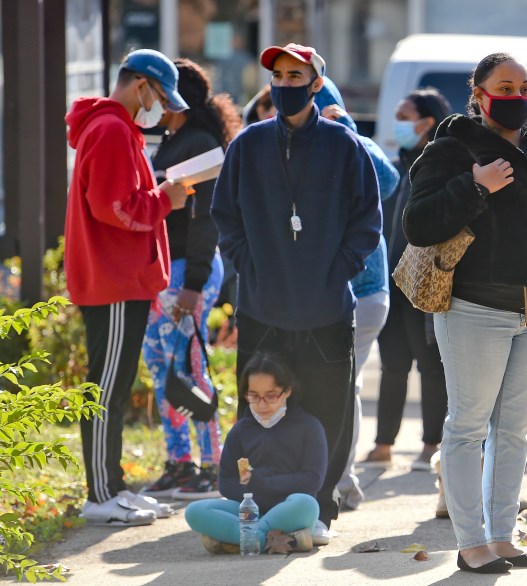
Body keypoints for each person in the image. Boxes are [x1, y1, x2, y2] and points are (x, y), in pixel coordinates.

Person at [403, 53, 527, 573]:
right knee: (468, 427)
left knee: (515, 428)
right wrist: (474, 186)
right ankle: (471, 545)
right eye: (503, 86)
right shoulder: (451, 148)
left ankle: (503, 537)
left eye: (524, 87)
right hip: (474, 308)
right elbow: (418, 223)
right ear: (478, 93)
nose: (515, 96)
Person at [211, 43, 382, 546]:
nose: (284, 84)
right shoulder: (248, 143)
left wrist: (337, 274)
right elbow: (226, 218)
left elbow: (367, 222)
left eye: (295, 75)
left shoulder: (344, 144)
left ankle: (318, 509)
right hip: (263, 305)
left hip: (327, 306)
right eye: (278, 76)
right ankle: (255, 506)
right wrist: (250, 269)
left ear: (315, 82)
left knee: (329, 410)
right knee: (258, 410)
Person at [64, 49, 190, 525]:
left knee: (112, 387)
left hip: (119, 279)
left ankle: (112, 487)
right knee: (106, 389)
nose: (160, 105)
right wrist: (166, 198)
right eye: (159, 94)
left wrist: (157, 193)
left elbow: (115, 200)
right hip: (113, 280)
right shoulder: (113, 128)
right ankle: (100, 494)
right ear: (141, 84)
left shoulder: (114, 128)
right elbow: (113, 207)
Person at [140, 59, 242, 500]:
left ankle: (212, 466)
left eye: (159, 91)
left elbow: (205, 224)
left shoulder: (198, 144)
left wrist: (193, 285)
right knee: (165, 369)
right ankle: (180, 462)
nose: (152, 102)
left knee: (189, 368)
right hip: (165, 271)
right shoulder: (173, 138)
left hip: (187, 272)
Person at [313, 77, 400, 510]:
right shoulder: (293, 146)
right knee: (343, 385)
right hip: (318, 289)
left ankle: (337, 481)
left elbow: (387, 183)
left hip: (363, 289)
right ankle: (339, 481)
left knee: (340, 386)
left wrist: (345, 127)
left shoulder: (351, 142)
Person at [362, 88, 452, 472]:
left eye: (404, 115)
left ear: (426, 122)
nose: (397, 123)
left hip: (425, 280)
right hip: (390, 282)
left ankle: (431, 444)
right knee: (392, 364)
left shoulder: (443, 165)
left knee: (431, 365)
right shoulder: (394, 166)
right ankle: (384, 445)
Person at [184, 353, 326, 554]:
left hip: (288, 508)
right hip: (249, 509)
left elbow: (312, 480)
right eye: (253, 396)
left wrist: (263, 483)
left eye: (271, 395)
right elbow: (226, 482)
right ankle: (283, 540)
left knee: (307, 504)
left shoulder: (309, 427)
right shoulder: (241, 431)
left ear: (287, 391)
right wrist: (252, 499)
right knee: (196, 511)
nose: (261, 404)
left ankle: (238, 540)